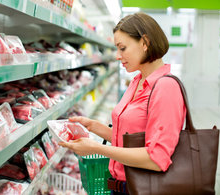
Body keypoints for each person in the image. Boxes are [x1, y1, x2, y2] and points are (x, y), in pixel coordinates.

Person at [59, 12, 186, 195]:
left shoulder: (166, 87)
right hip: (121, 186)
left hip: (143, 188)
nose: (118, 56)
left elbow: (156, 159)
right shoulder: (137, 81)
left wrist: (97, 148)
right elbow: (131, 139)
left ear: (145, 43)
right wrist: (93, 126)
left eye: (122, 48)